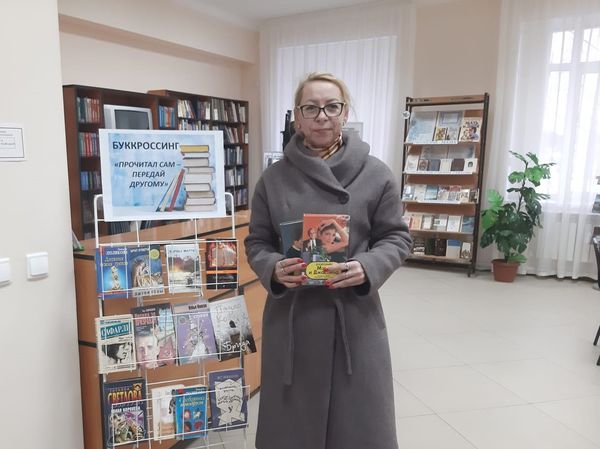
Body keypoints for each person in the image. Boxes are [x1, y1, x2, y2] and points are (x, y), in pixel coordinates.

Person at [245, 72, 412, 449]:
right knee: (293, 428)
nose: (322, 116)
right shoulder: (273, 179)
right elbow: (257, 241)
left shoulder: (376, 174)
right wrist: (273, 267)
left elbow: (397, 236)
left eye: (331, 106)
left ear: (345, 113)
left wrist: (367, 266)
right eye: (311, 108)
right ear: (297, 118)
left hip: (353, 317)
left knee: (356, 425)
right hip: (293, 319)